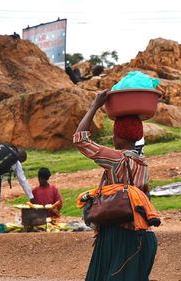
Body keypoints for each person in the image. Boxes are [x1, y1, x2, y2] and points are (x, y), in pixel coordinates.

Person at [74, 90, 157, 281]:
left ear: (119, 135)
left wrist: (95, 105)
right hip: (144, 237)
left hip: (119, 237)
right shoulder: (143, 164)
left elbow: (80, 139)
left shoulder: (116, 159)